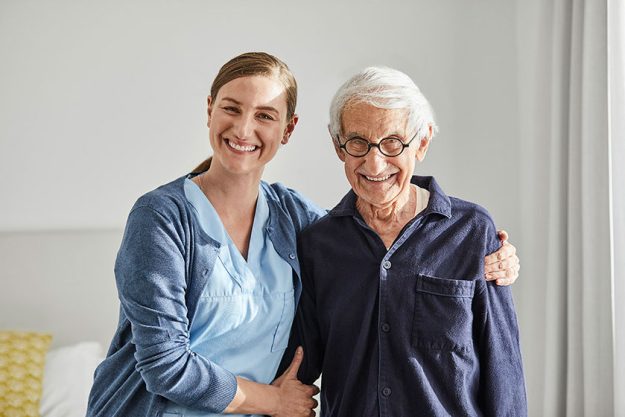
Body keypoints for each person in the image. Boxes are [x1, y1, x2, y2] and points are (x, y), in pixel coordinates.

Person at [86, 53, 520, 417]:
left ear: (288, 129)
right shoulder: (163, 217)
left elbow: (365, 234)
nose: (243, 130)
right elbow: (165, 364)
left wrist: (498, 257)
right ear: (210, 110)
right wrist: (274, 400)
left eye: (265, 116)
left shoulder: (297, 218)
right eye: (232, 108)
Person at [286, 67, 527, 416]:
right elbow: (298, 366)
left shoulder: (472, 231)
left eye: (392, 142)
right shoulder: (318, 244)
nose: (375, 162)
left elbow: (503, 370)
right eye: (357, 142)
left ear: (423, 142)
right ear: (338, 146)